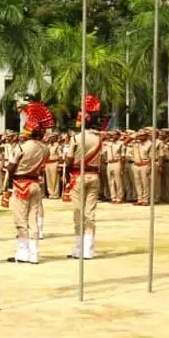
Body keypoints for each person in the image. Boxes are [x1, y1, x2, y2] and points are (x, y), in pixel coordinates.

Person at [5, 102, 50, 264]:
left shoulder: (22, 148)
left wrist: (8, 171)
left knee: (21, 219)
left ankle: (23, 253)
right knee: (33, 218)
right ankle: (34, 254)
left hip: (21, 183)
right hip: (35, 183)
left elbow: (11, 166)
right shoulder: (45, 148)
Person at [66, 96, 103, 260]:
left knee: (79, 213)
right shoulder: (98, 138)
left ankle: (78, 249)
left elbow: (69, 159)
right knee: (90, 214)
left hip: (78, 175)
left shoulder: (75, 138)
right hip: (94, 175)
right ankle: (89, 250)